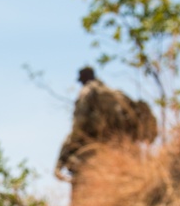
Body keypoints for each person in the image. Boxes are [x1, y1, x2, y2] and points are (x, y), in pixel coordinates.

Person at [55, 66, 156, 196]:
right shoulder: (116, 93)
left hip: (96, 152)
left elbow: (78, 126)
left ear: (84, 78)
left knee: (83, 193)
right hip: (123, 151)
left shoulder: (86, 92)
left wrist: (64, 154)